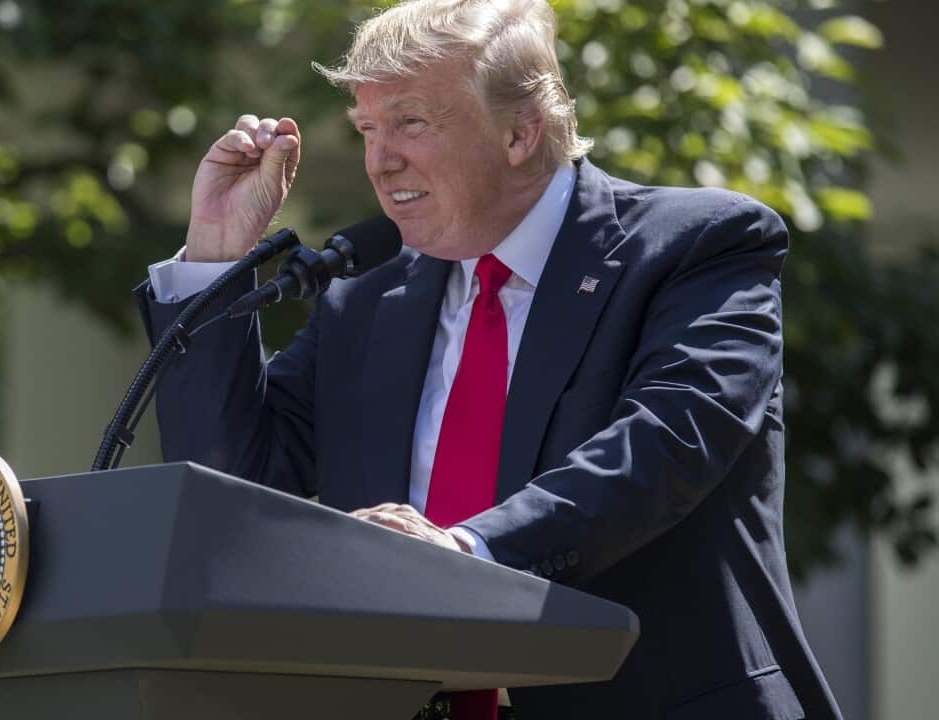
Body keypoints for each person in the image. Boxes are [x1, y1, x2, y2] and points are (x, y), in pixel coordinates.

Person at [134, 0, 841, 718]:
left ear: (519, 131)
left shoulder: (700, 246)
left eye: (410, 123)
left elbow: (665, 447)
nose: (380, 161)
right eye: (367, 129)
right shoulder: (364, 300)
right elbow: (233, 489)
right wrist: (217, 251)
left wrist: (464, 557)